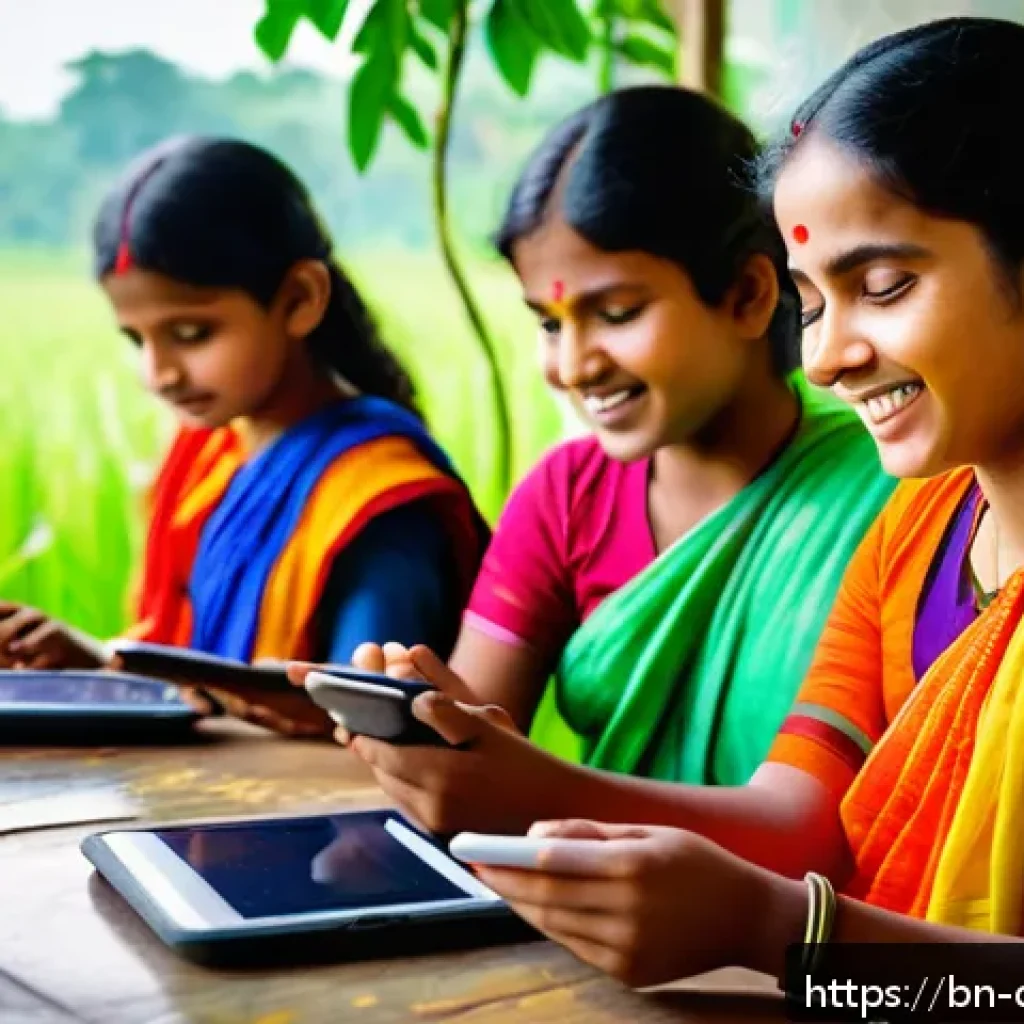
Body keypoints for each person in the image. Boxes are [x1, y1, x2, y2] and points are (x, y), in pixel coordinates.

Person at [431, 17, 1024, 990]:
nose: (826, 356)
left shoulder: (862, 507)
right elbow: (802, 810)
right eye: (816, 302)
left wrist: (781, 934)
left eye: (881, 284)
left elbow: (803, 895)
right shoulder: (908, 543)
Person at [290, 86, 894, 818]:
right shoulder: (565, 496)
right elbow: (479, 735)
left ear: (746, 294)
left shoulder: (886, 489)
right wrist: (426, 728)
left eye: (615, 314)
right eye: (549, 324)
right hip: (589, 903)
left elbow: (840, 816)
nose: (574, 365)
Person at [0, 137, 488, 734]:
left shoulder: (379, 501)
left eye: (191, 332)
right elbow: (204, 677)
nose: (158, 373)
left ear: (299, 301)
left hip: (319, 820)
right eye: (137, 339)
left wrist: (176, 683)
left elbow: (370, 715)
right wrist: (101, 668)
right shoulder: (209, 457)